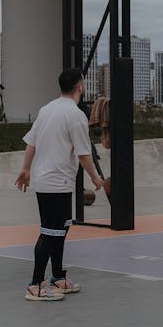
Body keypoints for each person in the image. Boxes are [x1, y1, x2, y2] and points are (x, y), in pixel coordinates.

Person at [14, 68, 109, 301]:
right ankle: (35, 285)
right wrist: (97, 178)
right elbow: (84, 154)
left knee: (60, 230)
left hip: (54, 181)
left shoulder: (47, 110)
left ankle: (58, 278)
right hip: (55, 182)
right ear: (80, 86)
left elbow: (31, 144)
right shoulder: (75, 115)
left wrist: (26, 169)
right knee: (49, 232)